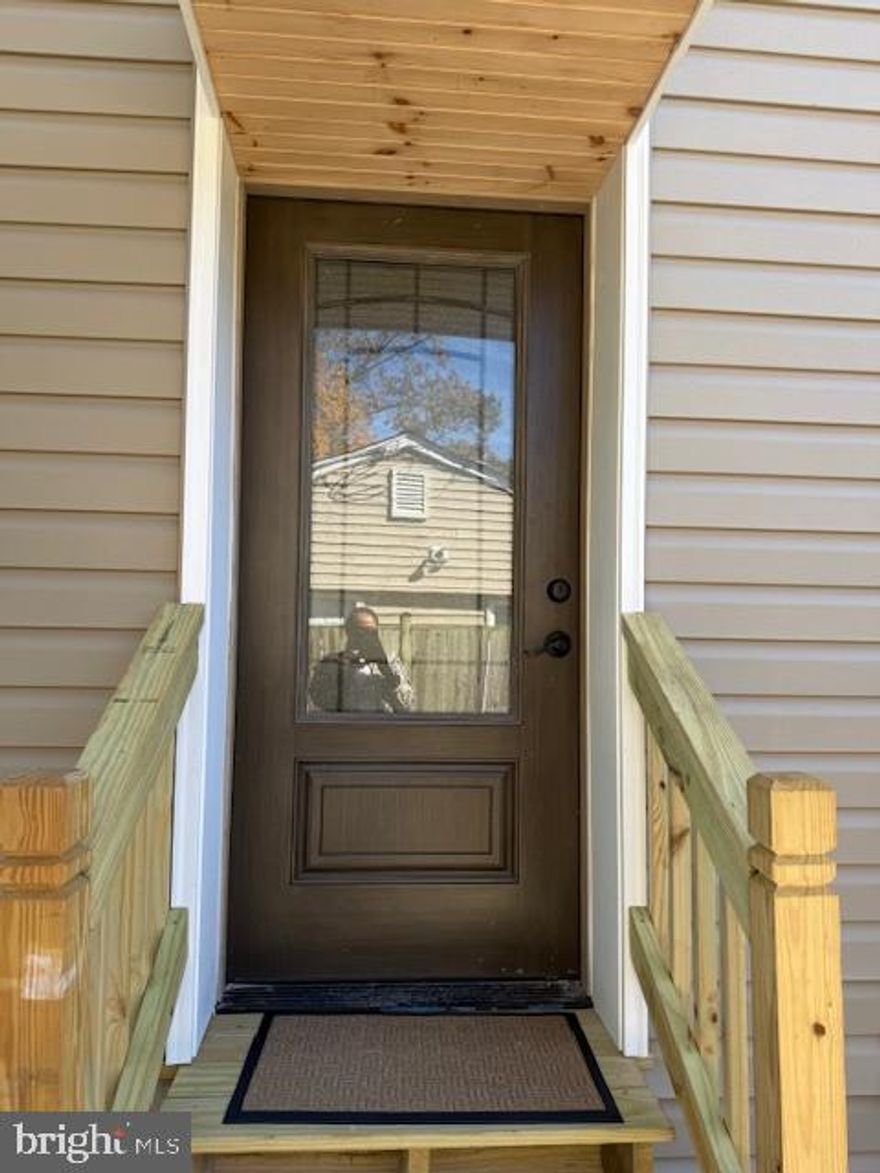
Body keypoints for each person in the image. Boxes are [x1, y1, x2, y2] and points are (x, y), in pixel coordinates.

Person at [309, 605, 415, 713]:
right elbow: (317, 699)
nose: (366, 637)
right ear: (349, 632)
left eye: (372, 631)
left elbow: (407, 704)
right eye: (361, 631)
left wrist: (385, 668)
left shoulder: (392, 664)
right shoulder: (332, 663)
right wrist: (349, 670)